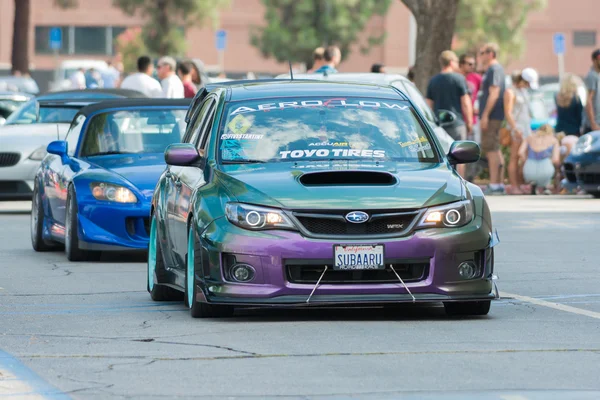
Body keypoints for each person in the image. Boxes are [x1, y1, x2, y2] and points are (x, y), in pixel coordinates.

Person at [426, 50, 473, 178]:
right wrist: (469, 122)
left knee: (442, 156)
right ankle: (460, 183)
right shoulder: (459, 79)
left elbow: (428, 105)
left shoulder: (433, 81)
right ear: (452, 62)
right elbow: (466, 103)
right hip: (457, 124)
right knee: (461, 157)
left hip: (439, 125)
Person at [503, 68, 538, 194]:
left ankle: (520, 183)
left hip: (525, 128)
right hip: (517, 129)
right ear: (522, 80)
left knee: (524, 157)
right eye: (527, 83)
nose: (528, 86)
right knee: (514, 157)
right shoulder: (510, 92)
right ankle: (514, 186)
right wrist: (515, 128)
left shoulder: (522, 91)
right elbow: (508, 112)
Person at [478, 42, 506, 195]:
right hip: (493, 115)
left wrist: (485, 116)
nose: (480, 56)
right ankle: (499, 183)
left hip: (492, 116)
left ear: (490, 54)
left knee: (490, 149)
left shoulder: (494, 69)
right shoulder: (492, 69)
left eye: (482, 53)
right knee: (494, 148)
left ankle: (495, 184)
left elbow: (494, 93)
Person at [519, 124, 560, 195]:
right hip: (546, 168)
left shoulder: (529, 137)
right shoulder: (554, 140)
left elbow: (520, 152)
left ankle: (533, 183)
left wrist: (526, 161)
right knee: (549, 170)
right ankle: (545, 186)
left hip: (529, 167)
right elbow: (556, 159)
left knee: (531, 173)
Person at [458, 53, 482, 131]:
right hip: (458, 119)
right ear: (461, 64)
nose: (472, 66)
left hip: (472, 119)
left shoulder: (477, 78)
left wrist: (478, 106)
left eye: (474, 64)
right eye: (470, 64)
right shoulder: (455, 78)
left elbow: (482, 94)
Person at [582, 48, 600, 134]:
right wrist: (593, 123)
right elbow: (589, 100)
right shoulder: (592, 76)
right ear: (594, 60)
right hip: (594, 124)